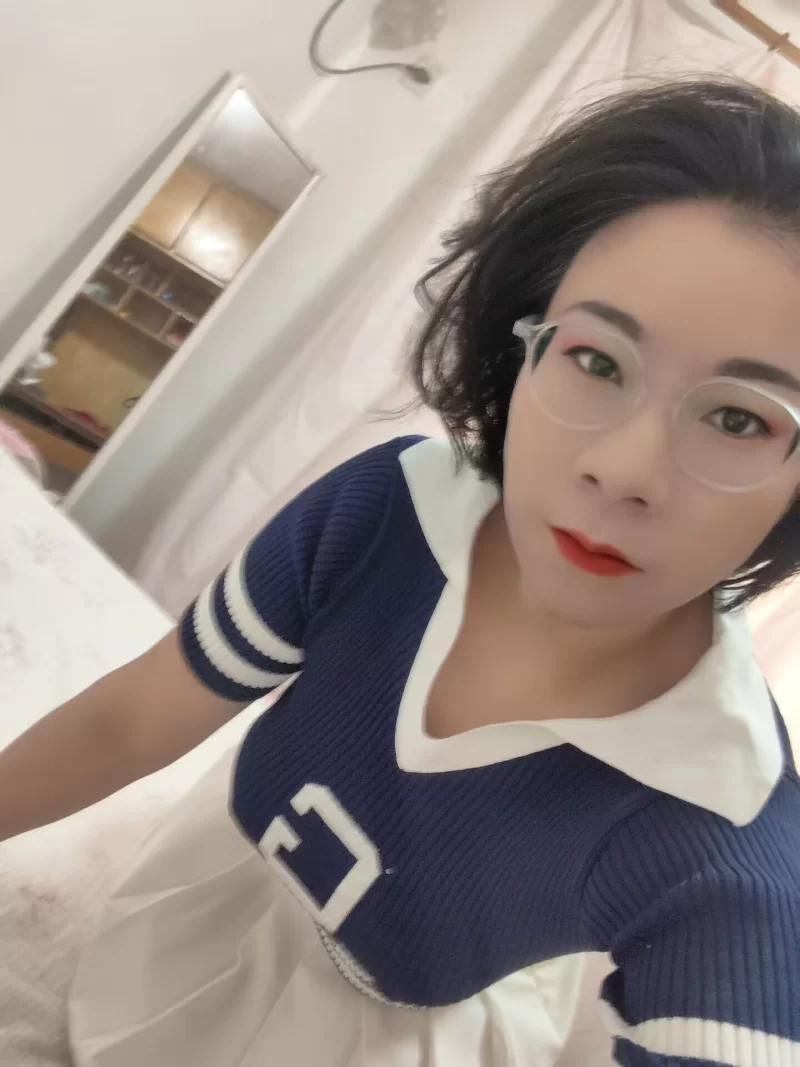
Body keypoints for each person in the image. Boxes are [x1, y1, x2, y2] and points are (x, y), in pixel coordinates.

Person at [2, 79, 800, 1067]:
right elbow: (133, 716)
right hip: (186, 915)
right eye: (596, 360)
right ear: (524, 341)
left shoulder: (714, 814)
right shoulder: (385, 510)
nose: (623, 469)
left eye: (739, 419)